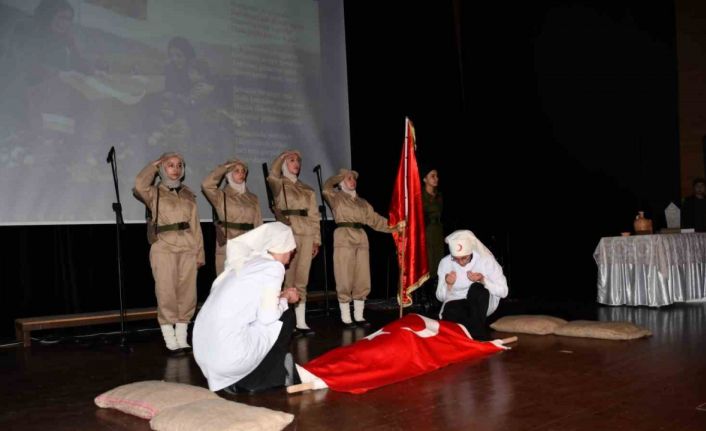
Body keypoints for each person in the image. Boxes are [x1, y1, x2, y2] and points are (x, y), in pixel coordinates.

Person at [193, 222, 301, 393]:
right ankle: (258, 380)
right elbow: (268, 316)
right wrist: (286, 298)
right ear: (286, 247)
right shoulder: (273, 267)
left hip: (206, 356)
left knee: (275, 312)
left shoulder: (247, 262)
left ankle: (237, 378)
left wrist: (280, 298)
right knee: (285, 316)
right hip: (229, 359)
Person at [134, 152, 205, 353]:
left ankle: (182, 337)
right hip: (164, 247)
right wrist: (153, 165)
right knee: (166, 292)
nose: (175, 169)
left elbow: (195, 226)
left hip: (188, 246)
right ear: (162, 169)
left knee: (188, 293)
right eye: (170, 165)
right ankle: (169, 335)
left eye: (179, 165)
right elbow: (139, 185)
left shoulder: (189, 194)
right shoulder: (153, 192)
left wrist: (199, 253)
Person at [323, 169, 395, 327]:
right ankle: (346, 316)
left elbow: (375, 220)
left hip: (361, 237)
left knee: (362, 277)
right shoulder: (336, 197)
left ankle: (359, 315)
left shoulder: (362, 202)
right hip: (344, 236)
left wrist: (395, 226)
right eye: (349, 178)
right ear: (342, 181)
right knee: (344, 275)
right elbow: (326, 188)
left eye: (354, 178)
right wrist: (340, 176)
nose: (353, 180)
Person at [267, 150, 321, 334]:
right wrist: (282, 156)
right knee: (288, 278)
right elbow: (272, 175)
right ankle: (286, 321)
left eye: (298, 160)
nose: (296, 163)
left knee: (302, 278)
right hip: (288, 233)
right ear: (284, 163)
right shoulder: (279, 184)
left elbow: (314, 215)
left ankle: (301, 322)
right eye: (291, 160)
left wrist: (316, 240)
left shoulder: (307, 189)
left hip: (306, 233)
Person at [436, 230, 508, 340]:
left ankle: (477, 336)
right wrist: (448, 285)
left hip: (479, 305)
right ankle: (469, 334)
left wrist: (483, 280)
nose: (461, 262)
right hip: (457, 305)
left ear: (470, 252)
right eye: (456, 259)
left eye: (464, 258)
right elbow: (440, 297)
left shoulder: (486, 260)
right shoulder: (445, 263)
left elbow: (504, 292)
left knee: (477, 288)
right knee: (451, 311)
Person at [201, 159, 263, 275]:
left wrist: (260, 249)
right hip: (229, 243)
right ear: (228, 174)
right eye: (236, 171)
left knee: (247, 280)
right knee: (227, 280)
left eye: (243, 171)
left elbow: (258, 224)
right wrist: (224, 168)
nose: (241, 174)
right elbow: (206, 185)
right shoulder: (220, 196)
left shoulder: (253, 198)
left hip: (249, 245)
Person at [420, 166, 444, 308]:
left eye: (437, 176)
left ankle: (436, 297)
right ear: (425, 179)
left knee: (438, 264)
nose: (436, 179)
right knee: (427, 264)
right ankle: (424, 298)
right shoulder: (420, 195)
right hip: (426, 232)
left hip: (438, 232)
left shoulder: (439, 196)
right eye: (432, 176)